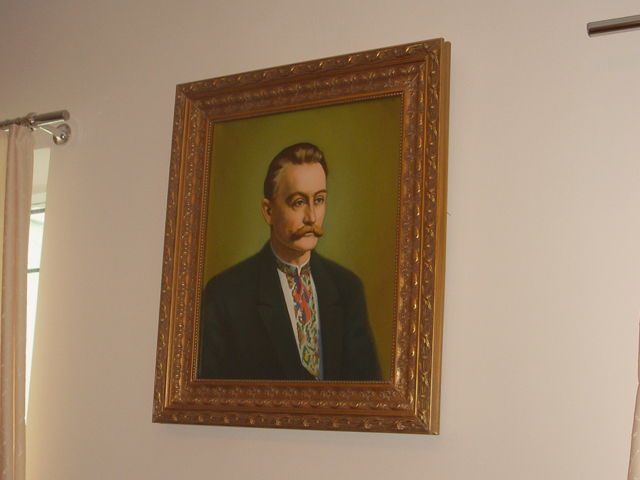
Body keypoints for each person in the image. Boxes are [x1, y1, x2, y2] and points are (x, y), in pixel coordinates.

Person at [198, 142, 381, 381]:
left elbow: (368, 389)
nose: (312, 217)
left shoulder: (348, 288)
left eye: (319, 200)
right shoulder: (225, 294)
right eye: (298, 202)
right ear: (269, 211)